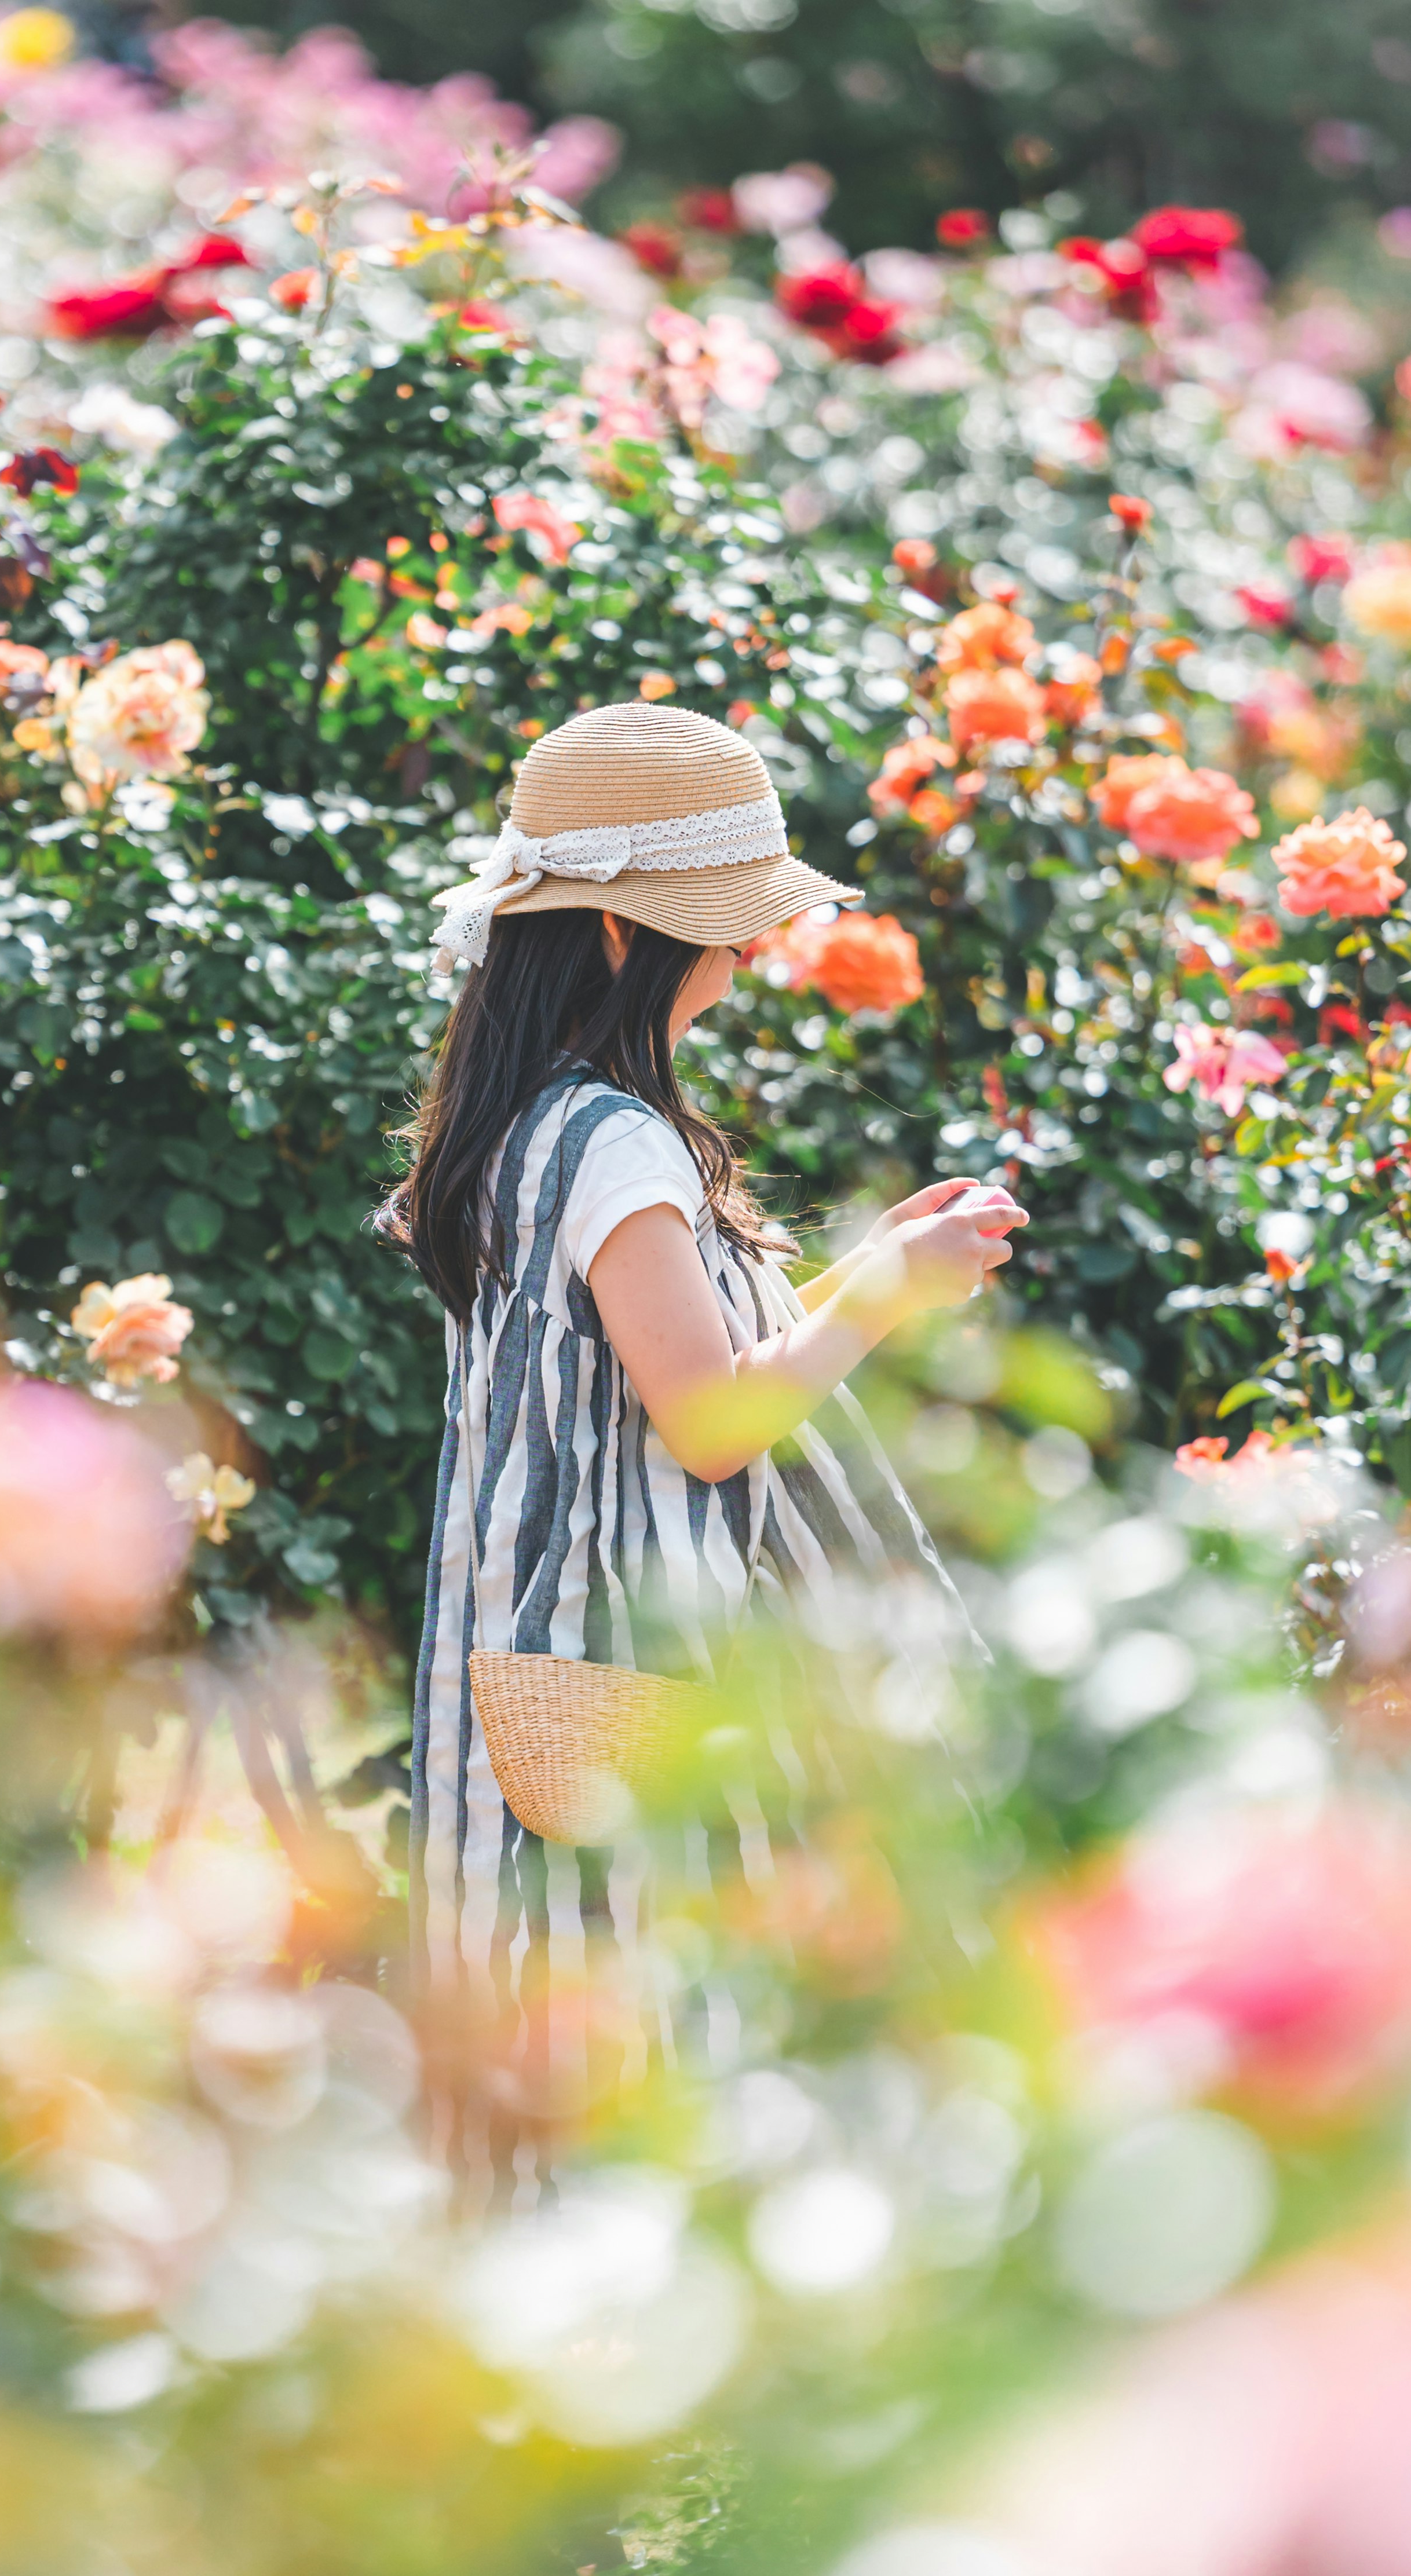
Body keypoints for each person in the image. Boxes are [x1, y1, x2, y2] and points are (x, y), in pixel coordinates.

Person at [379, 704, 1024, 2178]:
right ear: (620, 933)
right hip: (638, 1651)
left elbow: (658, 1362)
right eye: (724, 930)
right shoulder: (613, 1140)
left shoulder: (525, 1127)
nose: (747, 959)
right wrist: (883, 1293)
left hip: (523, 1643)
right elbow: (714, 1419)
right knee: (662, 2001)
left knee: (549, 1982)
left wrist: (859, 1262)